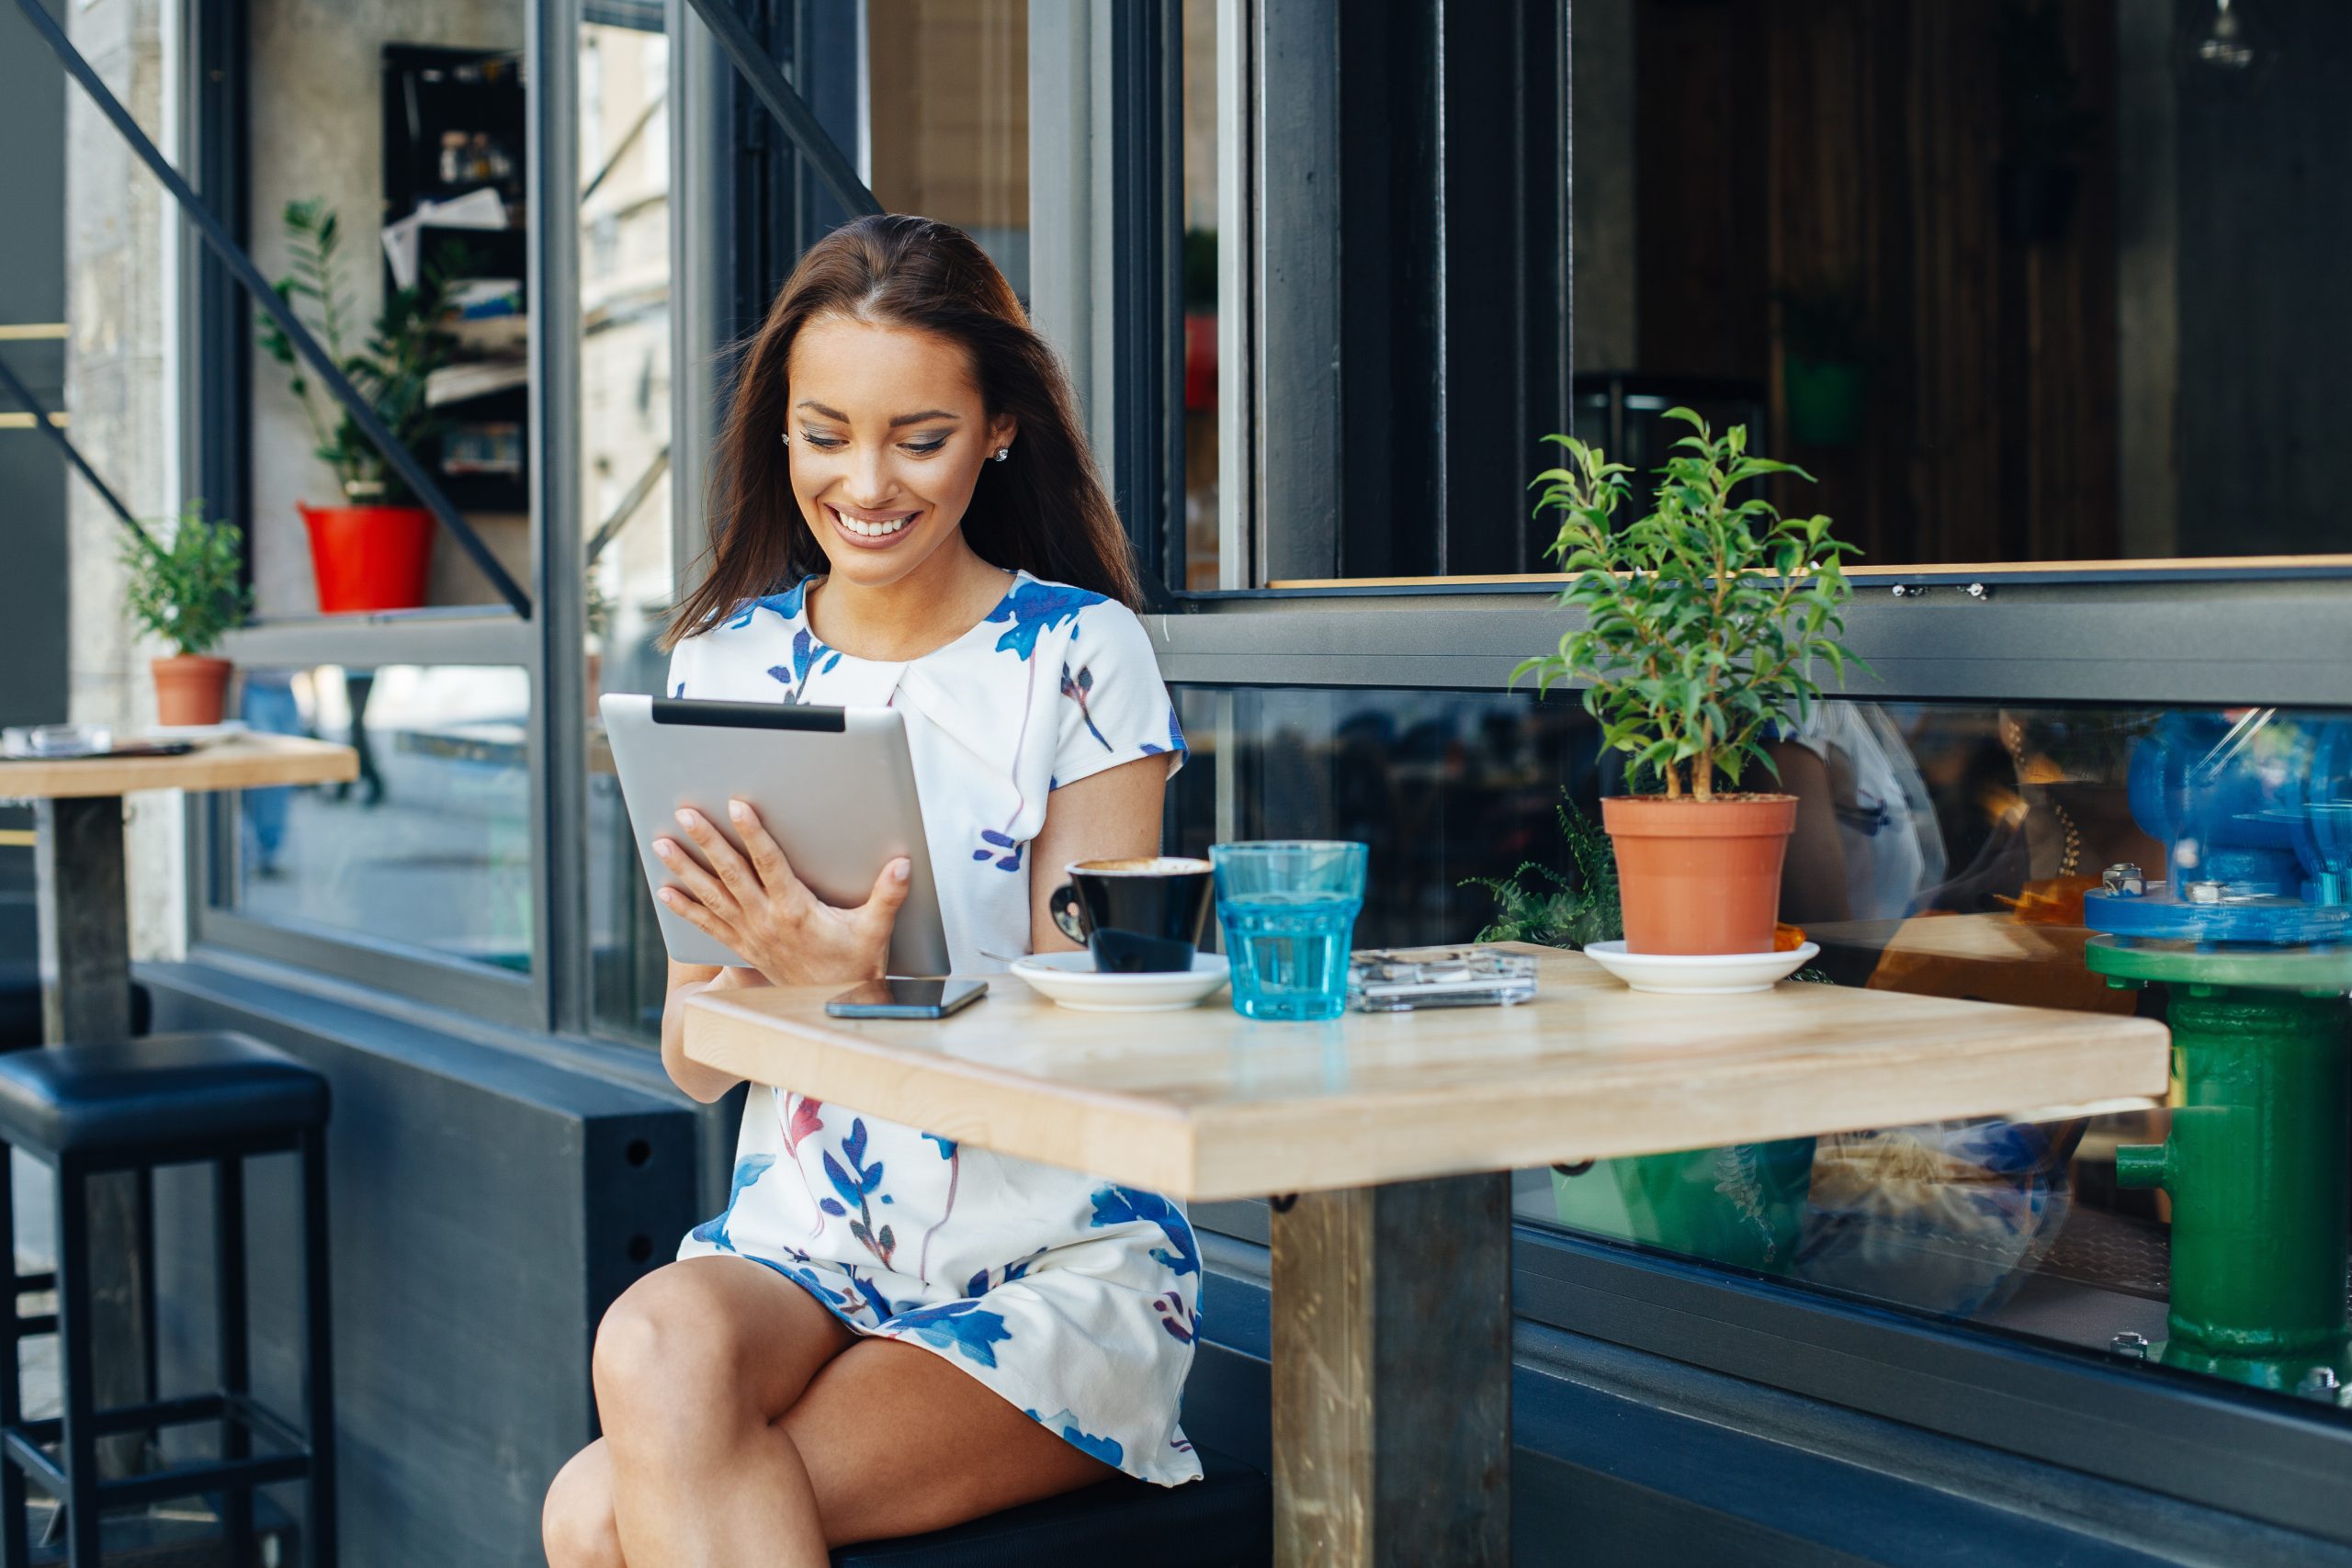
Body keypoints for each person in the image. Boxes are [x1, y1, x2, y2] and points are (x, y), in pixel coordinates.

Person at [540, 214, 1200, 1567]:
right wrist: (782, 976)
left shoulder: (1081, 655)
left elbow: (1100, 1040)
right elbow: (691, 1060)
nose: (865, 483)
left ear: (1000, 429)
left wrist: (863, 981)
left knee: (596, 1519)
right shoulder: (724, 666)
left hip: (1048, 1257)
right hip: (806, 1243)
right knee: (650, 1333)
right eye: (824, 432)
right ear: (780, 429)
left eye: (921, 437)